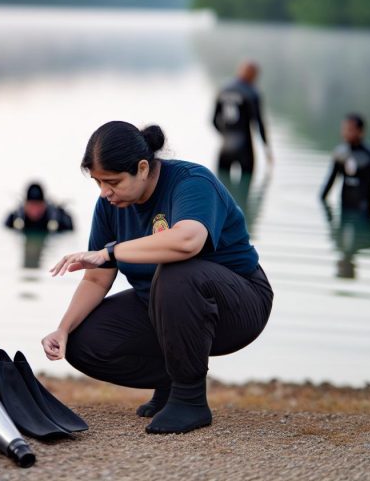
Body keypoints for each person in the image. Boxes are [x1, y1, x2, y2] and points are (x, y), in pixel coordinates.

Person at [41, 122, 273, 434]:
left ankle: (190, 399)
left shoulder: (191, 182)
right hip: (162, 307)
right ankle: (171, 381)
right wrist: (63, 330)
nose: (105, 192)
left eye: (112, 181)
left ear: (142, 168)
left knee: (177, 268)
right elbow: (96, 279)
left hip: (239, 304)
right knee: (84, 342)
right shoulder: (110, 206)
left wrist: (111, 252)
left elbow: (187, 241)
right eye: (98, 183)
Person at [320, 113, 370, 216]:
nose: (345, 133)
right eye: (344, 129)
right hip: (344, 209)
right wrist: (322, 202)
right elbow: (329, 183)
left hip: (364, 214)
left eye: (350, 130)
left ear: (361, 132)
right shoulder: (340, 154)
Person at [212, 61, 273, 177]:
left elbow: (214, 121)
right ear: (253, 75)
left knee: (221, 189)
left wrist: (226, 136)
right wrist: (266, 149)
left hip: (225, 148)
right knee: (245, 187)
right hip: (245, 148)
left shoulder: (223, 89)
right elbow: (258, 123)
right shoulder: (252, 92)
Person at [4, 182, 74, 233]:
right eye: (31, 206)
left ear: (44, 205)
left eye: (38, 205)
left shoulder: (56, 217)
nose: (35, 210)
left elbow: (71, 229)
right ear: (25, 205)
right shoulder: (15, 218)